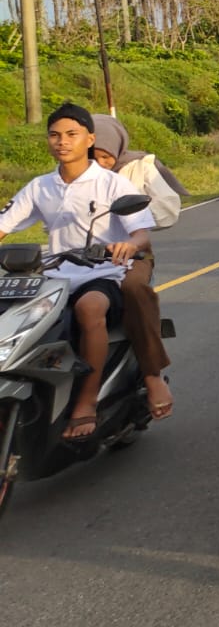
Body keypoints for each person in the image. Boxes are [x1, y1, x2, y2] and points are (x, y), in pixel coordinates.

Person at [0, 103, 156, 439]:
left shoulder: (112, 184)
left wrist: (129, 245)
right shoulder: (39, 186)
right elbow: (4, 224)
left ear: (89, 139)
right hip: (55, 276)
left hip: (101, 274)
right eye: (55, 135)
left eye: (71, 134)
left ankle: (86, 402)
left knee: (89, 309)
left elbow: (141, 232)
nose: (62, 141)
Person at [90, 114, 182, 420]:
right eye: (93, 156)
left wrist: (132, 224)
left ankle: (151, 374)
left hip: (132, 254)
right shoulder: (70, 174)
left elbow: (168, 208)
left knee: (133, 289)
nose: (99, 162)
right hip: (79, 257)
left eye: (105, 156)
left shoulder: (139, 166)